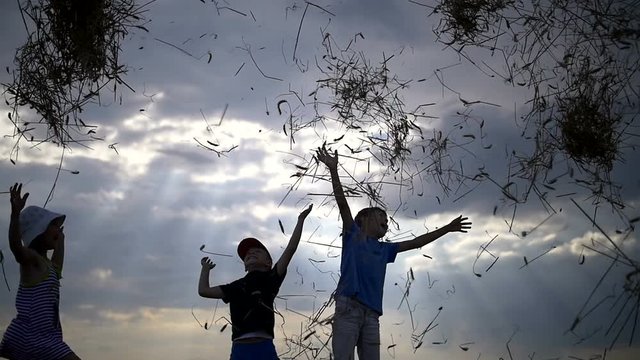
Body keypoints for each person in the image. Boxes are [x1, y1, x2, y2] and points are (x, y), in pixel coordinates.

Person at [316, 146, 471, 360]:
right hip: (348, 307)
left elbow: (417, 242)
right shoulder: (353, 236)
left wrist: (447, 228)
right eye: (381, 216)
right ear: (363, 220)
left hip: (372, 314)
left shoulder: (385, 249)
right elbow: (342, 204)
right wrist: (333, 170)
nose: (386, 222)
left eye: (387, 220)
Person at [198, 204, 313, 360]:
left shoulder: (271, 278)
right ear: (245, 266)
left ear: (268, 263)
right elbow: (204, 291)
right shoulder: (235, 286)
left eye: (257, 251)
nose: (251, 253)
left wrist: (300, 220)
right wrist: (205, 269)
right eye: (247, 254)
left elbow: (291, 249)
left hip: (263, 346)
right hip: (239, 348)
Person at [0, 183, 81, 360]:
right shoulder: (32, 260)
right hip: (32, 335)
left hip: (45, 337)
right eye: (53, 225)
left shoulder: (50, 268)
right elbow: (16, 247)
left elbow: (58, 266)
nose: (58, 230)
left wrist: (61, 239)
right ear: (39, 232)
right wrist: (15, 215)